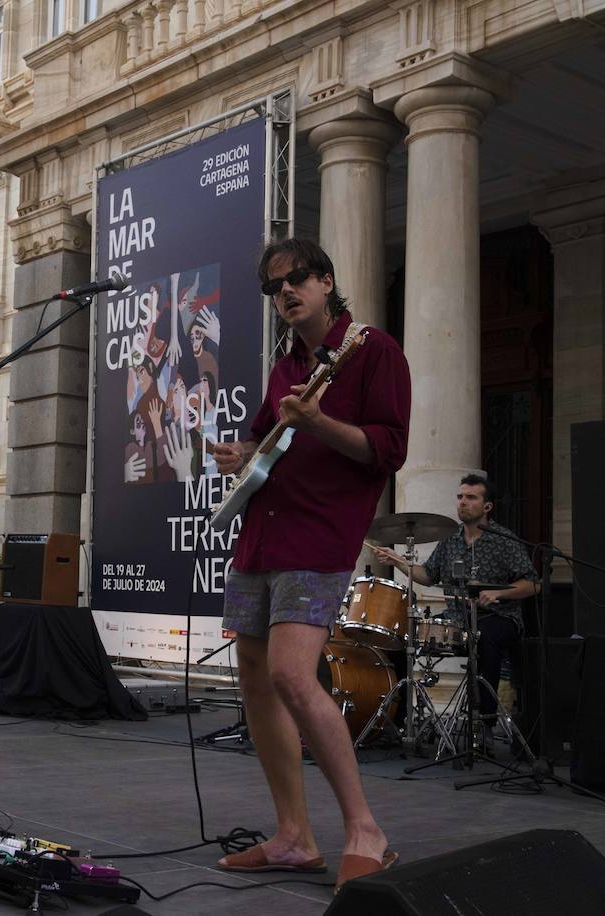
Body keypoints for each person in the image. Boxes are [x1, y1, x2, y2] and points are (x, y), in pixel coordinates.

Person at [210, 238, 410, 889]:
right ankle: (294, 836)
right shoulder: (287, 362)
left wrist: (320, 422)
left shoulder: (371, 350)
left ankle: (366, 832)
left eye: (297, 279)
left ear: (326, 281)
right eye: (274, 287)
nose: (286, 292)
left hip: (318, 538)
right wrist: (242, 454)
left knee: (294, 677)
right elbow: (270, 432)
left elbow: (387, 450)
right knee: (256, 680)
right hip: (262, 535)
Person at [372, 474, 538, 738]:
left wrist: (499, 594)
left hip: (498, 616)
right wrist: (398, 561)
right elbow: (428, 575)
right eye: (460, 497)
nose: (462, 502)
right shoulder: (451, 540)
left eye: (471, 497)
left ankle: (484, 723)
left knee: (486, 638)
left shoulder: (504, 539)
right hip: (456, 618)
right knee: (402, 639)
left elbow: (532, 584)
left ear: (487, 506)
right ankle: (398, 719)